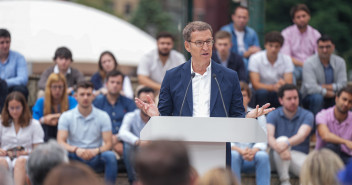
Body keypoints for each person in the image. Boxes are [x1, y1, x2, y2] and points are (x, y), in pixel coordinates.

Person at [135, 21, 274, 167]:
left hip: (217, 151)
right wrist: (156, 116)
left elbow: (235, 115)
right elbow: (165, 118)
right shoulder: (172, 77)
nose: (206, 47)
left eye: (209, 41)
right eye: (199, 43)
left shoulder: (229, 76)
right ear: (187, 46)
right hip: (182, 152)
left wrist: (246, 117)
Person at [57, 81, 117, 185]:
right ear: (76, 96)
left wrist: (96, 151)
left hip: (96, 156)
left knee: (110, 156)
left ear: (93, 96)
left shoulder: (103, 116)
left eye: (88, 94)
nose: (85, 97)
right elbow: (60, 142)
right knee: (61, 154)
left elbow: (108, 144)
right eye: (82, 94)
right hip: (75, 155)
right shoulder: (66, 116)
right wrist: (76, 150)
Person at [266, 84, 313, 185]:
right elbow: (269, 137)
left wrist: (286, 144)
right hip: (277, 157)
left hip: (298, 155)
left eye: (295, 98)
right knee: (281, 139)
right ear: (281, 100)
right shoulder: (273, 114)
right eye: (289, 98)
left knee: (313, 174)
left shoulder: (307, 115)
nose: (293, 101)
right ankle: (285, 181)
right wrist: (281, 148)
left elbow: (302, 135)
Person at [0, 92, 44, 185]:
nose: (15, 111)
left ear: (23, 107)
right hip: (5, 156)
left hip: (26, 157)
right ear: (7, 108)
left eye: (17, 108)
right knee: (1, 161)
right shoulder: (1, 124)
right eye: (12, 108)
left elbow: (38, 150)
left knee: (20, 162)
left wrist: (26, 152)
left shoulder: (34, 124)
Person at [231, 82, 270, 185]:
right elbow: (226, 140)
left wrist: (253, 151)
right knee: (233, 155)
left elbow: (263, 138)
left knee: (263, 156)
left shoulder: (259, 114)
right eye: (238, 95)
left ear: (248, 98)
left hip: (253, 156)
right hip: (236, 156)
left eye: (243, 95)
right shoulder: (227, 114)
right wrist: (240, 151)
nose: (241, 98)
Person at [93, 70, 136, 156]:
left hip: (124, 140)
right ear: (106, 84)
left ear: (121, 86)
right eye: (112, 82)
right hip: (101, 139)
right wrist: (109, 140)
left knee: (126, 148)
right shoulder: (97, 102)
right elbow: (93, 124)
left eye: (118, 83)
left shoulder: (129, 103)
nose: (115, 85)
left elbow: (133, 124)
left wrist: (118, 138)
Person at [302, 35, 347, 116]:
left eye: (328, 47)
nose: (325, 50)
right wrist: (327, 92)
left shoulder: (340, 62)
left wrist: (322, 86)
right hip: (311, 97)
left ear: (333, 47)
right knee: (317, 98)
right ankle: (315, 127)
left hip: (334, 95)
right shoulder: (308, 63)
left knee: (346, 99)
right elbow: (311, 88)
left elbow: (343, 85)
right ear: (317, 48)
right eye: (321, 47)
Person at [119, 86, 155, 183]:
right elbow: (122, 132)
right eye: (143, 102)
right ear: (137, 103)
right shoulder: (130, 116)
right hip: (136, 151)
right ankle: (133, 180)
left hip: (154, 151)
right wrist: (138, 141)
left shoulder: (159, 117)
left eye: (149, 102)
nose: (146, 105)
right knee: (127, 145)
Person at [249, 31, 294, 108]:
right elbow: (255, 84)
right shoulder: (255, 58)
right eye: (271, 46)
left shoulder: (287, 59)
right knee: (262, 93)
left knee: (287, 93)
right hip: (261, 91)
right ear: (265, 45)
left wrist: (283, 85)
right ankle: (261, 117)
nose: (273, 49)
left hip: (278, 90)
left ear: (281, 47)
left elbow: (289, 83)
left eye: (277, 46)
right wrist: (273, 87)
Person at [281, 4, 321, 82]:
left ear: (309, 16)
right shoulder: (286, 33)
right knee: (289, 74)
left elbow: (319, 55)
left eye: (304, 16)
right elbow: (286, 57)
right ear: (293, 20)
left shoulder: (316, 34)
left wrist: (309, 66)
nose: (301, 19)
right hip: (293, 67)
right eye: (298, 17)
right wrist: (304, 65)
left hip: (312, 67)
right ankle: (292, 94)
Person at [32, 73, 77, 141]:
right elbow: (34, 122)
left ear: (64, 88)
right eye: (54, 87)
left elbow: (75, 118)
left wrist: (54, 117)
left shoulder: (71, 100)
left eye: (60, 87)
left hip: (66, 136)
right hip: (45, 136)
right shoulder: (41, 102)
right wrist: (44, 120)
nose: (57, 90)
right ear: (49, 88)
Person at [315, 86, 352, 164]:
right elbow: (325, 136)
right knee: (332, 146)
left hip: (346, 157)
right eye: (344, 99)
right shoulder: (322, 115)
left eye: (350, 102)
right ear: (336, 99)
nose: (346, 104)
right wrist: (346, 142)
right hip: (323, 157)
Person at [221, 6, 261, 72]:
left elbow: (257, 51)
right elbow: (224, 52)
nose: (242, 20)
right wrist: (245, 54)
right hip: (230, 63)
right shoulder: (226, 31)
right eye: (239, 17)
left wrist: (251, 53)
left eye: (244, 17)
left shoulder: (252, 32)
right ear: (233, 17)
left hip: (249, 63)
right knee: (244, 62)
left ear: (248, 18)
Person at [0, 29, 28, 113]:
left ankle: (19, 116)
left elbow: (23, 79)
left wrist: (4, 82)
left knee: (21, 89)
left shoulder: (19, 57)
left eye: (7, 42)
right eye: (2, 43)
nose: (5, 45)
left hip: (12, 89)